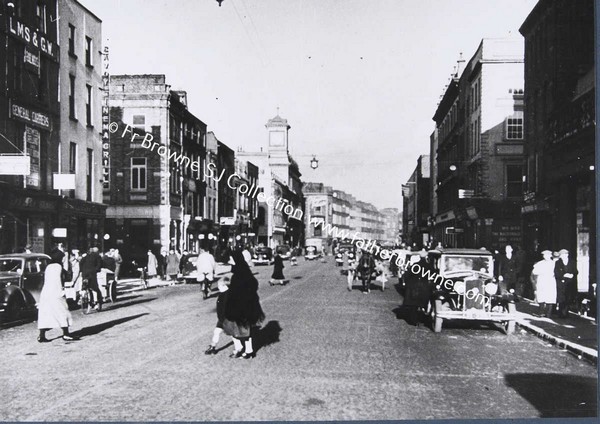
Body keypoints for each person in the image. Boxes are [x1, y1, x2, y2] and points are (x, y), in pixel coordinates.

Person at [223, 249, 265, 359]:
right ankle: (243, 349)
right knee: (236, 329)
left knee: (244, 330)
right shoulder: (240, 271)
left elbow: (250, 286)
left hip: (242, 306)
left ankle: (248, 350)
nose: (230, 261)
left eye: (231, 259)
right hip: (238, 306)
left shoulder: (241, 273)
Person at [37, 250, 77, 342]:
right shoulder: (59, 267)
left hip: (45, 293)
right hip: (56, 293)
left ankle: (41, 336)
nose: (63, 259)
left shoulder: (48, 267)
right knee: (63, 312)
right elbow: (67, 278)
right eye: (63, 257)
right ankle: (66, 334)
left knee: (45, 314)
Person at [402, 249, 433, 325]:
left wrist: (407, 283)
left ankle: (414, 321)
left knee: (414, 305)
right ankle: (422, 318)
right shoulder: (429, 266)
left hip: (414, 286)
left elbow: (408, 275)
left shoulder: (415, 265)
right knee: (422, 303)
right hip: (424, 287)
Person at [204, 277, 231, 355]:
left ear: (224, 285)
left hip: (228, 318)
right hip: (222, 318)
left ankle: (240, 348)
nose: (218, 287)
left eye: (219, 285)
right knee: (217, 331)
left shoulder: (227, 295)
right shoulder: (222, 294)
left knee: (234, 335)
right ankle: (213, 346)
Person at [531, 250, 557, 318]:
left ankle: (549, 313)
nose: (546, 256)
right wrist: (542, 272)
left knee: (550, 296)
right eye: (544, 255)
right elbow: (534, 271)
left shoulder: (554, 263)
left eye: (547, 255)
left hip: (550, 281)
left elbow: (556, 272)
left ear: (550, 255)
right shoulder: (540, 263)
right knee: (541, 296)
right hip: (542, 281)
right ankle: (541, 312)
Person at [554, 249, 578, 318]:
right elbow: (556, 272)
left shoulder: (572, 262)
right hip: (561, 283)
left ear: (567, 255)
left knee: (568, 298)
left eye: (564, 255)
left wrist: (572, 275)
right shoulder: (558, 263)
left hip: (569, 283)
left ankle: (566, 312)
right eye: (561, 255)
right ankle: (561, 313)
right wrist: (563, 275)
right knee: (561, 298)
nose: (562, 256)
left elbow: (576, 271)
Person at [79, 246, 103, 312]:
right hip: (92, 274)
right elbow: (100, 265)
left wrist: (81, 271)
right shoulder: (97, 256)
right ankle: (98, 301)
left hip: (85, 274)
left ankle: (85, 298)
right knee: (95, 288)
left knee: (86, 287)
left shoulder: (85, 257)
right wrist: (96, 270)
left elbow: (80, 264)